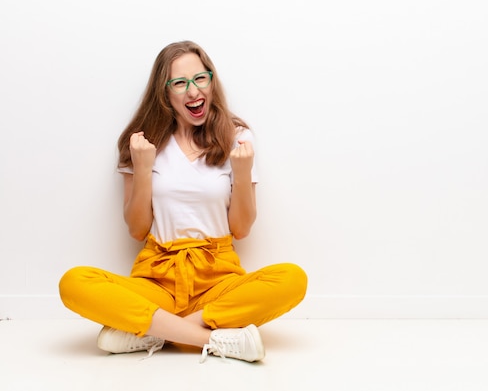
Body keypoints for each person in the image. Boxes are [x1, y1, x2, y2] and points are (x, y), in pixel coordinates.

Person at [59, 40, 307, 363]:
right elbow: (137, 229)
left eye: (200, 78)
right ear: (165, 93)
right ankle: (213, 340)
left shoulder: (238, 137)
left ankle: (153, 331)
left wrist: (243, 173)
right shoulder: (141, 142)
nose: (193, 91)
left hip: (217, 278)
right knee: (73, 283)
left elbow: (242, 229)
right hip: (157, 278)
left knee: (293, 279)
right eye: (180, 83)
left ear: (211, 80)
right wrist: (144, 167)